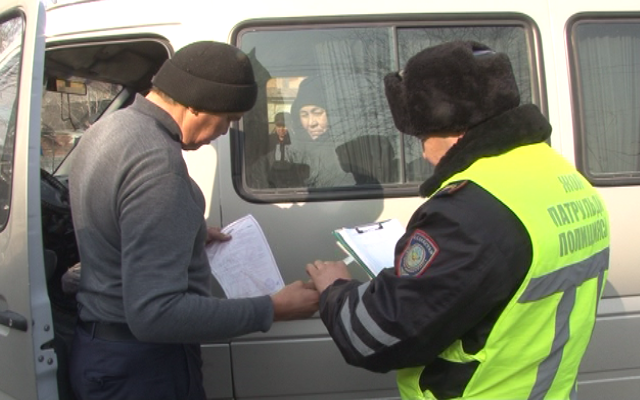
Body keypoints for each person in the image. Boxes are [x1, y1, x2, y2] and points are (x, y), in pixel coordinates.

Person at [306, 40, 610, 400]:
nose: (423, 152)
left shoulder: (470, 211)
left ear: (454, 128)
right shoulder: (565, 178)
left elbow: (377, 336)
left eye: (423, 136)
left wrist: (335, 289)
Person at [68, 41, 319, 400]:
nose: (225, 131)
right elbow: (157, 314)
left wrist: (186, 234)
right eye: (229, 119)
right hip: (143, 369)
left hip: (102, 353)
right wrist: (271, 309)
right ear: (198, 103)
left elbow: (117, 226)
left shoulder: (107, 130)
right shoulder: (158, 164)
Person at [287, 76, 355, 188]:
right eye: (304, 115)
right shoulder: (295, 151)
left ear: (331, 115)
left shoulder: (342, 150)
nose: (311, 123)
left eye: (317, 113)